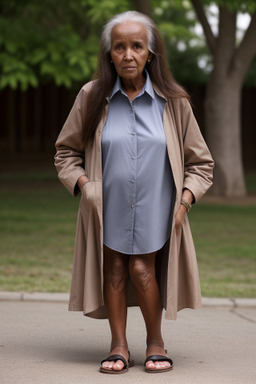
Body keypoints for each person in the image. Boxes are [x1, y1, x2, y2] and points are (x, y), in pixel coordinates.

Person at [54, 10, 214, 374]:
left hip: (159, 208)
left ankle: (155, 342)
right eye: (120, 47)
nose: (128, 54)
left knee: (142, 269)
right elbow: (66, 152)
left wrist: (185, 202)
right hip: (106, 206)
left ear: (150, 54)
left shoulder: (173, 102)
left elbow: (201, 163)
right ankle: (118, 347)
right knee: (114, 269)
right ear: (109, 53)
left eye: (137, 46)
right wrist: (84, 187)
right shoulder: (91, 96)